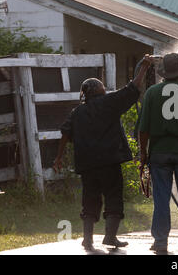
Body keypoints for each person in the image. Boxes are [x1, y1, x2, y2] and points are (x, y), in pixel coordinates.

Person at [53, 55, 154, 252]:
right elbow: (132, 89)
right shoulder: (109, 102)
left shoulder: (77, 112)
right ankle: (110, 237)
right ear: (100, 90)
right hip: (109, 162)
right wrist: (144, 67)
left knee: (89, 199)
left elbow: (65, 133)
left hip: (87, 165)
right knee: (114, 197)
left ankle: (88, 240)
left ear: (85, 94)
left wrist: (58, 157)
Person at [137, 53, 178, 255]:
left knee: (161, 198)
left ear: (163, 73)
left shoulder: (152, 93)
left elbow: (143, 129)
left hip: (160, 151)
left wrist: (143, 155)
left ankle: (161, 242)